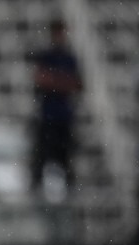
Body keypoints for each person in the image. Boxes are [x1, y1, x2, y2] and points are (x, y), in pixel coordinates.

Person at [28, 18, 83, 199]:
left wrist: (55, 81)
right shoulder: (47, 56)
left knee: (66, 161)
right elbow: (42, 79)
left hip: (63, 117)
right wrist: (61, 82)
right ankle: (37, 197)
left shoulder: (69, 57)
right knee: (42, 160)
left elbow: (75, 84)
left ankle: (69, 199)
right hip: (48, 116)